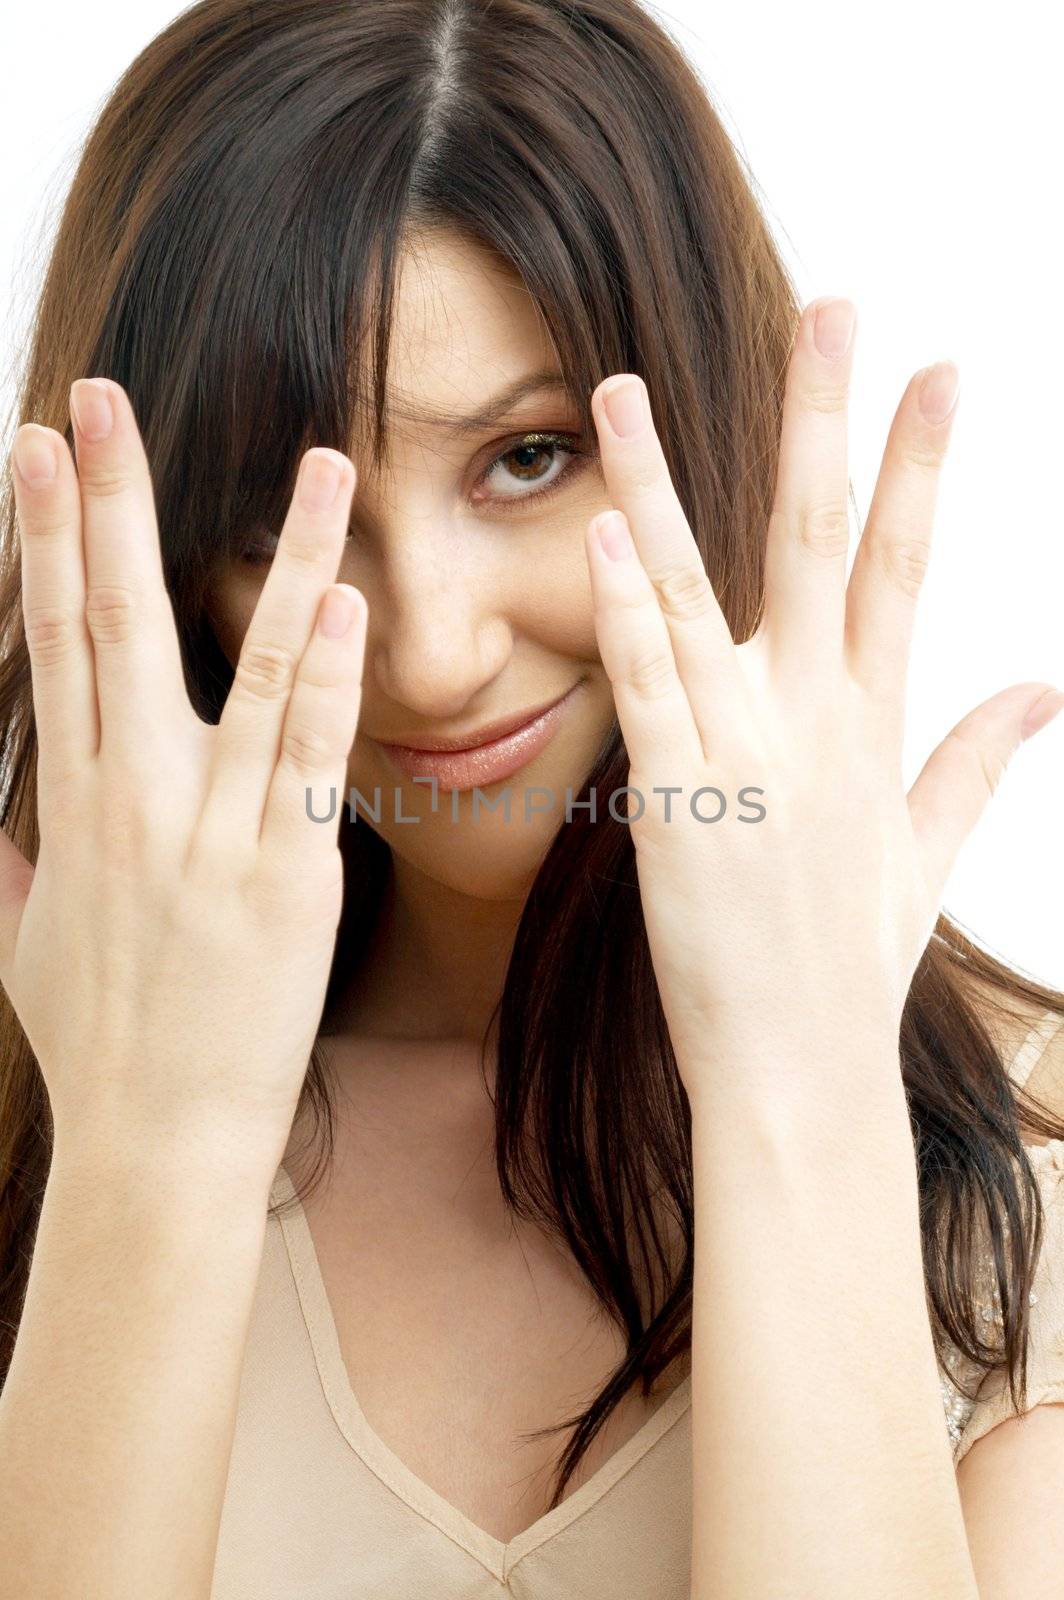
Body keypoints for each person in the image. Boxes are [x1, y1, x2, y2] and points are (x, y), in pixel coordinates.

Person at [0, 1, 1062, 1596]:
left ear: (712, 430)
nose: (430, 654)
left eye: (528, 457)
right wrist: (151, 1154)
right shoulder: (54, 1144)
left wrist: (801, 1097)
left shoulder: (1025, 1166)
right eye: (275, 516)